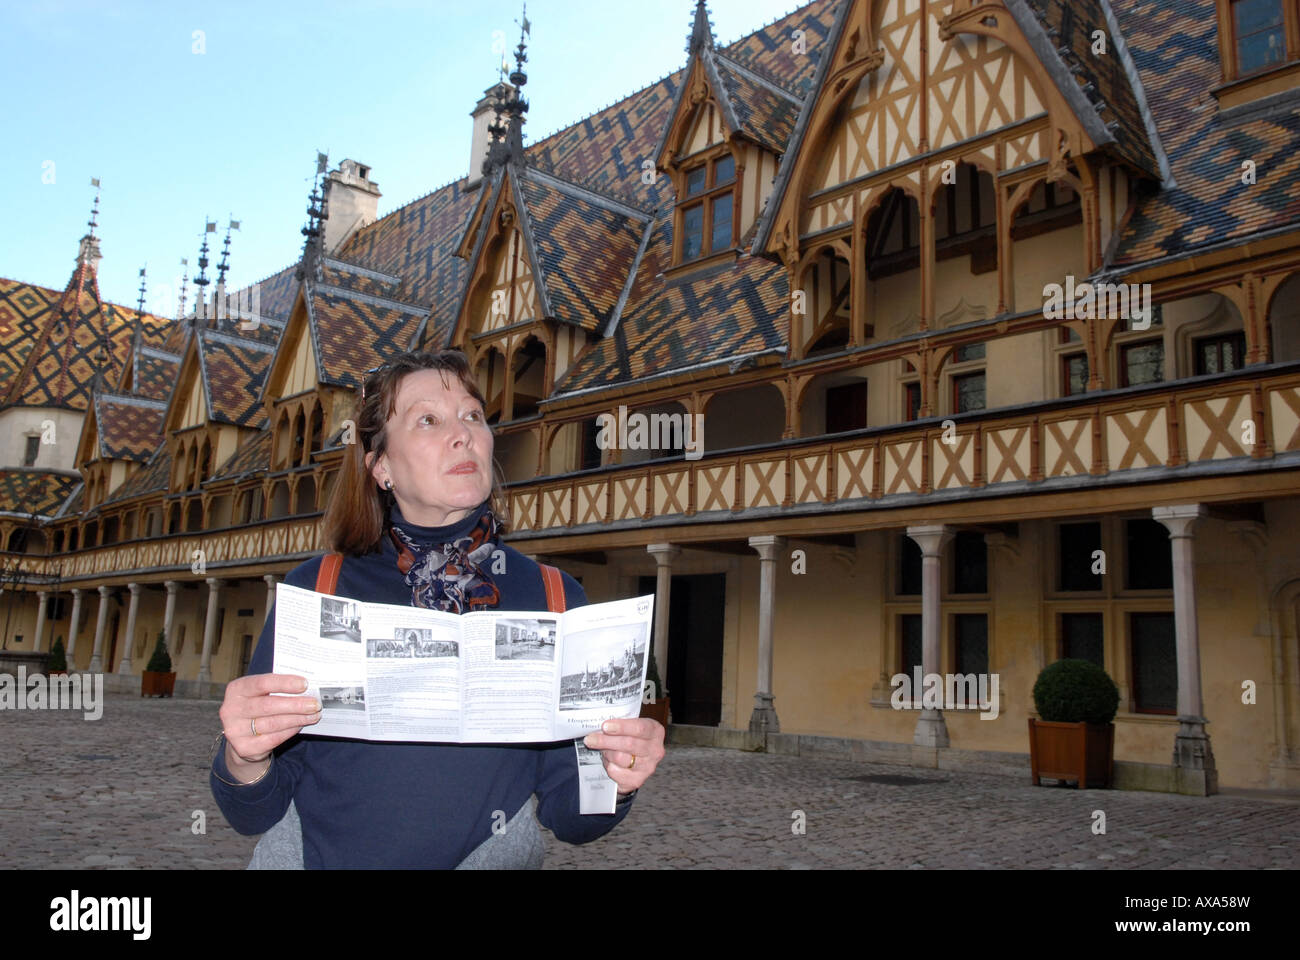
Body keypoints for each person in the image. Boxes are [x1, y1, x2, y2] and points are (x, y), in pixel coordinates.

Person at [209, 350, 665, 869]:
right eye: (428, 419)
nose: (463, 433)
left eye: (473, 415)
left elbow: (571, 812)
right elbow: (254, 811)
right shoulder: (317, 590)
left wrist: (615, 777)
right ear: (381, 466)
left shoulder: (553, 597)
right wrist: (245, 757)